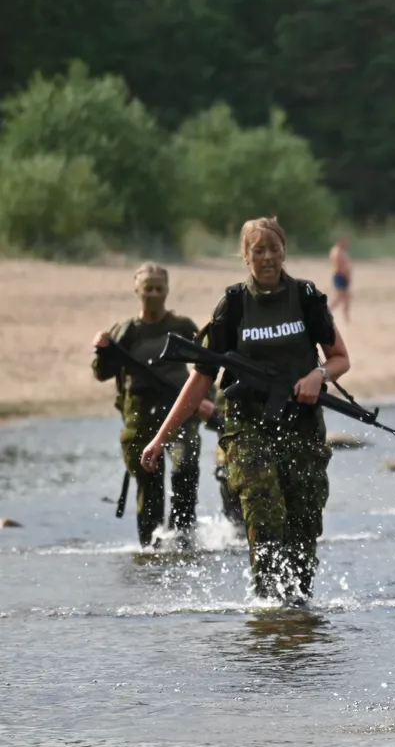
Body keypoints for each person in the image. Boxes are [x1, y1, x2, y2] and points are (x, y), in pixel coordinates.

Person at [141, 217, 349, 604]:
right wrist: (159, 439)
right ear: (244, 256)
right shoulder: (234, 304)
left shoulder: (306, 298)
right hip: (247, 426)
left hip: (302, 427)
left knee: (303, 522)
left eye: (274, 248)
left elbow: (340, 359)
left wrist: (318, 376)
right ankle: (267, 604)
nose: (268, 257)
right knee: (264, 516)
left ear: (285, 250)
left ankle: (298, 610)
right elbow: (201, 378)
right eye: (258, 250)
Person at [92, 263, 216, 548]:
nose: (153, 293)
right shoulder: (126, 332)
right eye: (148, 288)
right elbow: (102, 372)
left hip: (181, 413)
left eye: (159, 288)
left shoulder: (182, 327)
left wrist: (208, 402)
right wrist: (101, 348)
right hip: (139, 418)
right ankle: (150, 545)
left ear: (168, 290)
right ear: (137, 290)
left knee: (184, 469)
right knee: (149, 484)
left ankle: (183, 538)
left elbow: (208, 366)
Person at [329, 236, 352, 322]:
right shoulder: (336, 252)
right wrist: (345, 274)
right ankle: (326, 311)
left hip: (344, 277)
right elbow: (337, 267)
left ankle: (346, 317)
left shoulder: (342, 251)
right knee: (338, 297)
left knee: (346, 297)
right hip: (340, 276)